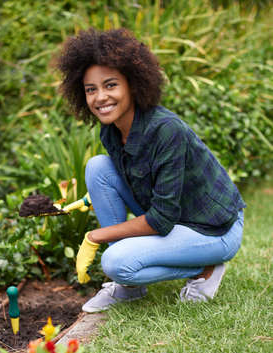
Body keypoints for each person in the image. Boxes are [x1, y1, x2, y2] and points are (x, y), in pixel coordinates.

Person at [55, 28, 246, 313]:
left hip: (214, 229)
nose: (100, 97)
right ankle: (129, 288)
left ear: (132, 84)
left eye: (110, 85)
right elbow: (133, 183)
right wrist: (90, 199)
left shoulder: (167, 131)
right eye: (90, 89)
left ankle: (205, 267)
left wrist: (95, 236)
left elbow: (160, 219)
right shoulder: (111, 132)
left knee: (115, 262)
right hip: (176, 217)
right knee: (98, 167)